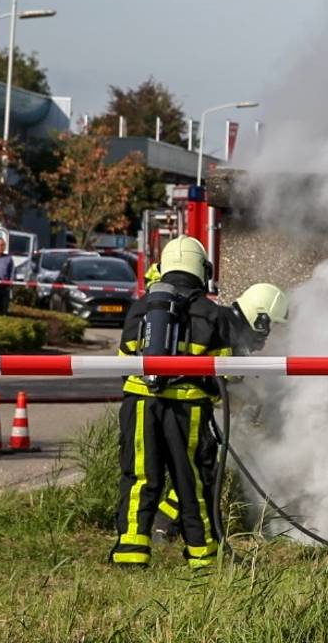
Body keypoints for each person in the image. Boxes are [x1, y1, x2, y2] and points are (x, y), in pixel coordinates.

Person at [110, 236, 234, 569]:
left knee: (138, 478)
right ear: (201, 269)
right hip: (187, 409)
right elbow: (224, 375)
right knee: (191, 482)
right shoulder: (212, 313)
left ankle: (130, 554)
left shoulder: (140, 308)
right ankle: (202, 556)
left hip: (140, 404)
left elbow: (124, 362)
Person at [149, 281, 290, 543]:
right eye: (268, 324)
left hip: (196, 409)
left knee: (203, 472)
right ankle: (167, 525)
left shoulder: (229, 327)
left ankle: (171, 525)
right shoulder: (223, 327)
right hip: (187, 409)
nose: (267, 334)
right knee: (197, 472)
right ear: (259, 318)